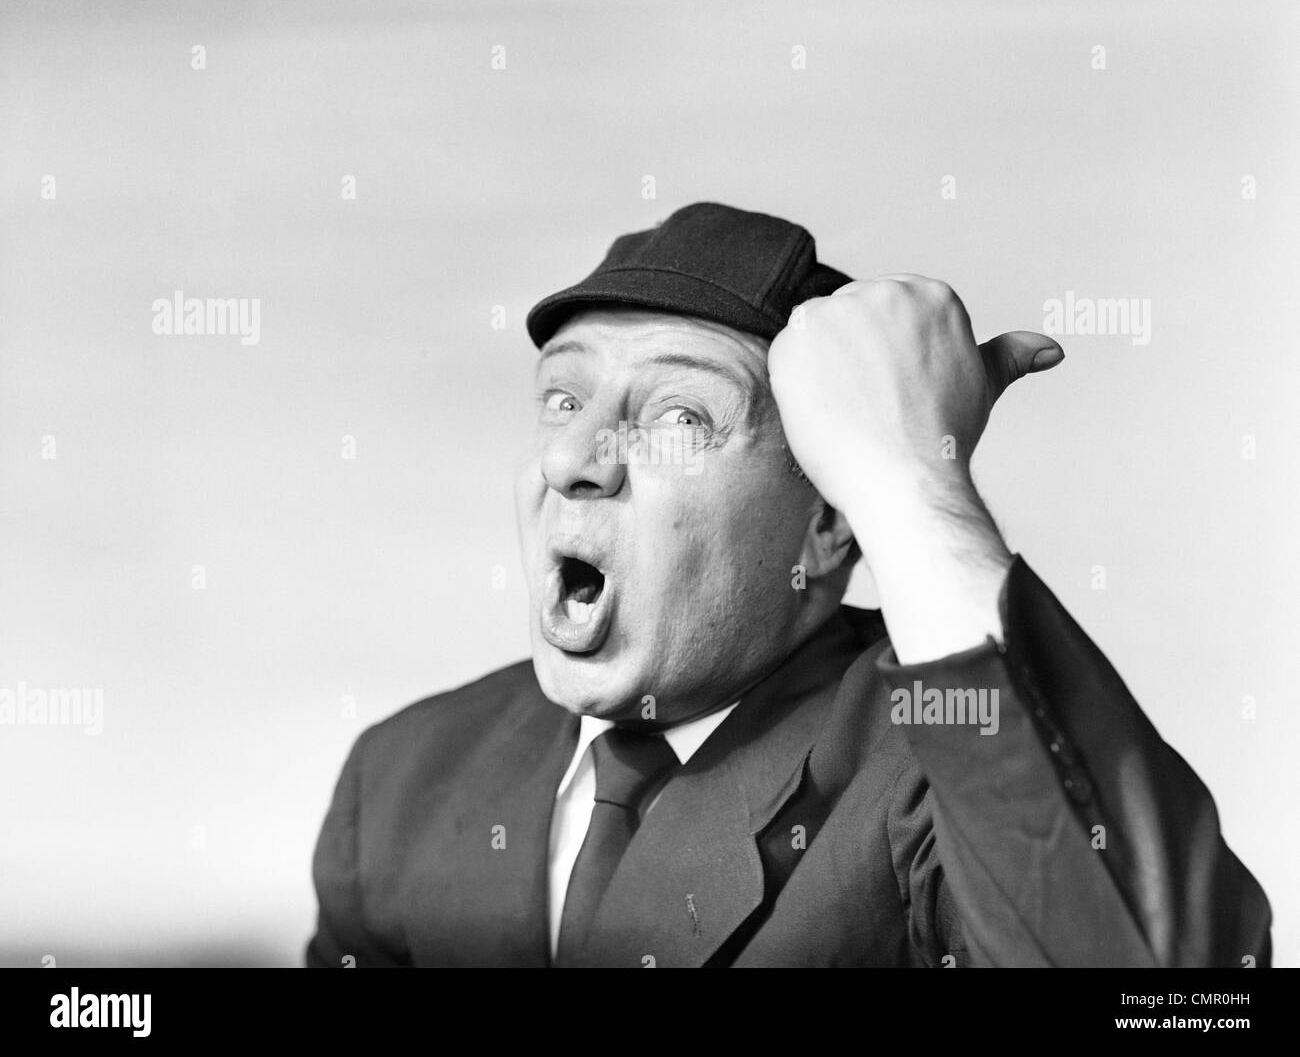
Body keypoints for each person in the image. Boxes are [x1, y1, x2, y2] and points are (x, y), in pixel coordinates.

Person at [306, 202, 1271, 967]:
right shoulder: (401, 784)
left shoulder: (928, 776)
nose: (569, 456)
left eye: (680, 415)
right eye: (563, 397)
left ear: (828, 519)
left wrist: (914, 484)